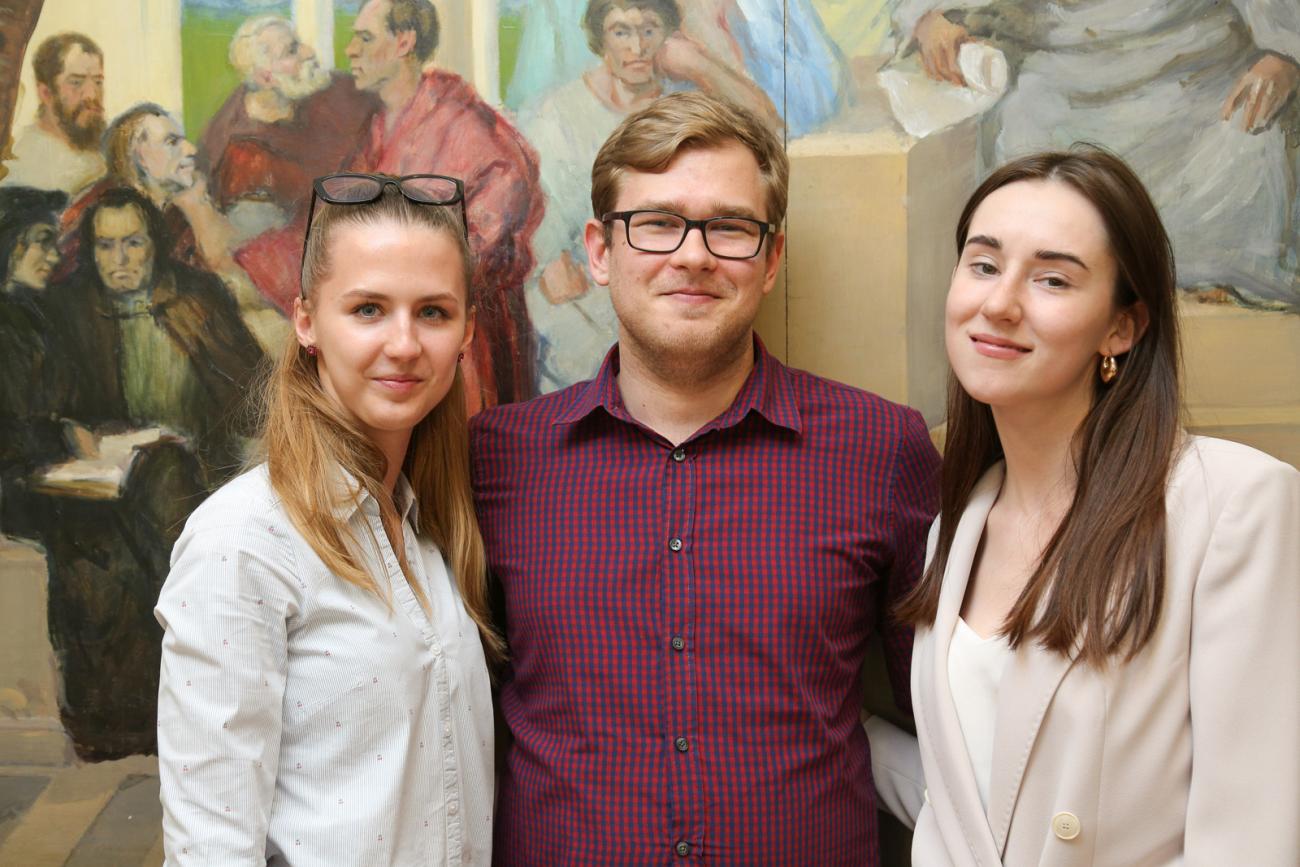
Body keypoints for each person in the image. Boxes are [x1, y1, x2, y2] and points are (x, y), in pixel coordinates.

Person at [471, 92, 941, 865]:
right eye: (657, 223)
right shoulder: (496, 460)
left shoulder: (880, 450)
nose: (693, 255)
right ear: (599, 250)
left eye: (728, 227)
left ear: (771, 259)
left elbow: (958, 712)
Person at [865, 148, 1300, 864]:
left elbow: (1248, 837)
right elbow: (978, 803)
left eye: (1053, 279)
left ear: (1121, 328)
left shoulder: (1231, 505)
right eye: (983, 264)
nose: (999, 303)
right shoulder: (956, 529)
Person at [156, 174, 501, 864]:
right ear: (307, 321)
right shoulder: (243, 540)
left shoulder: (429, 525)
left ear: (466, 331)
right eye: (368, 308)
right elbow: (211, 848)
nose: (404, 344)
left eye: (433, 312)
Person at [237, 0, 546, 410]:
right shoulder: (381, 126)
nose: (350, 50)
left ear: (404, 42)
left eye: (365, 38)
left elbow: (477, 248)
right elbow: (338, 218)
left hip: (456, 351)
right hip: (388, 331)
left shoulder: (468, 130)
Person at [897, 0, 1300, 310]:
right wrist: (931, 19)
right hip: (1062, 79)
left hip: (1196, 77)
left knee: (1245, 144)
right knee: (1023, 126)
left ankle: (1215, 283)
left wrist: (1283, 57)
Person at [520, 0, 785, 391]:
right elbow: (531, 211)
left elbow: (769, 133)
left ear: (667, 36)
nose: (637, 47)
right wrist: (545, 261)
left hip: (663, 288)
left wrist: (701, 64)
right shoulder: (558, 116)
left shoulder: (686, 108)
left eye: (649, 30)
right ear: (600, 38)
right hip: (586, 286)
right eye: (621, 31)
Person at [200, 15, 379, 235]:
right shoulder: (245, 157)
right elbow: (265, 245)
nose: (309, 52)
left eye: (299, 43)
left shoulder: (329, 89)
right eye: (291, 51)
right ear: (266, 78)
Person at [1, 33, 107, 196]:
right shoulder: (21, 165)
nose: (91, 95)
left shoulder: (104, 155)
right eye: (76, 82)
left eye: (98, 82)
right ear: (46, 93)